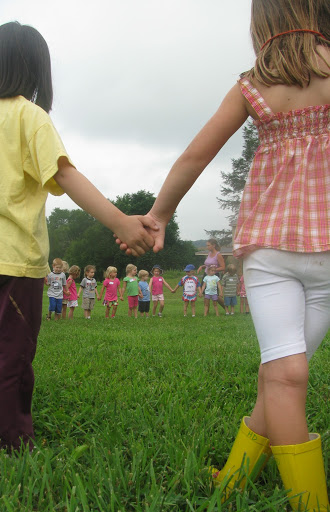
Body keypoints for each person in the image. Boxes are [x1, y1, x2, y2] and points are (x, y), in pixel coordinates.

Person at [118, 1, 330, 508]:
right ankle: (309, 502)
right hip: (287, 257)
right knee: (285, 373)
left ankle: (234, 480)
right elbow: (198, 155)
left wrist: (160, 215)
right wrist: (160, 215)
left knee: (281, 375)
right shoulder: (254, 83)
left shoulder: (251, 84)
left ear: (261, 23)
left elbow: (195, 155)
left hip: (272, 254)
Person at [0, 22, 157, 451]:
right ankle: (8, 441)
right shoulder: (30, 116)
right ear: (36, 70)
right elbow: (64, 174)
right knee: (10, 354)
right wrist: (121, 221)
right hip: (15, 259)